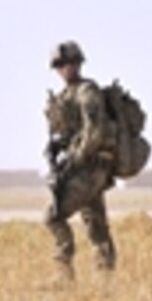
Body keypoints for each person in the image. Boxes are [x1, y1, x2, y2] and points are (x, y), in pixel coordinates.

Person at [43, 41, 118, 280]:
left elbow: (94, 130)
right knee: (95, 221)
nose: (65, 69)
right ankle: (105, 276)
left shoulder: (87, 91)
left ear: (78, 64)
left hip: (90, 166)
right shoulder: (66, 95)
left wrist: (75, 157)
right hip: (83, 166)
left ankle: (64, 272)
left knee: (54, 216)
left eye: (69, 64)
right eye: (60, 65)